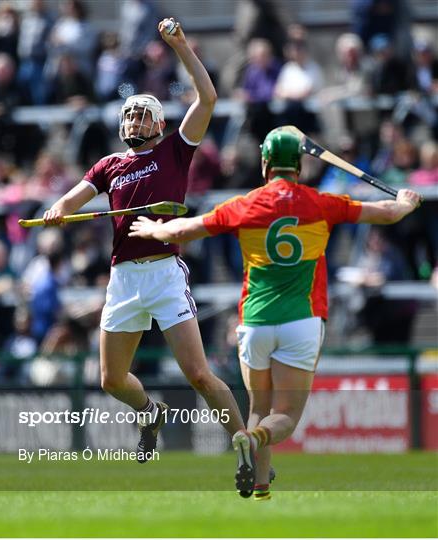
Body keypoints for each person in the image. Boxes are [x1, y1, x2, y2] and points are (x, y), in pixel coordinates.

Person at [129, 125, 422, 500]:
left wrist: (156, 229)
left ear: (265, 163)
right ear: (299, 165)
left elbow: (186, 229)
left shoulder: (245, 204)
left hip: (254, 322)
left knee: (258, 406)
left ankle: (261, 487)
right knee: (284, 417)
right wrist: (407, 201)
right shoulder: (321, 202)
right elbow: (384, 212)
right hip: (302, 319)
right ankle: (252, 440)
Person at [42, 18, 247, 487]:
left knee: (199, 374)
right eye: (129, 114)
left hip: (164, 273)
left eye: (143, 114)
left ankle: (246, 451)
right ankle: (150, 410)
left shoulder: (176, 150)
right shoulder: (110, 165)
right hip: (124, 278)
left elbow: (208, 98)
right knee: (112, 381)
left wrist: (178, 46)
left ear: (158, 123)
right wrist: (57, 209)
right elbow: (74, 197)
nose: (134, 119)